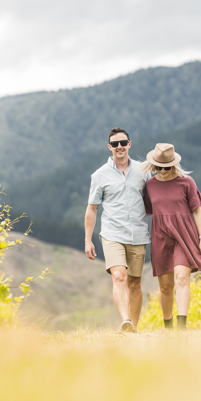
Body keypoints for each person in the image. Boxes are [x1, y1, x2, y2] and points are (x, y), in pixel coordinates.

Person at [84, 128, 150, 332]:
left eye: (123, 143)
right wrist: (88, 240)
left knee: (135, 283)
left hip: (138, 234)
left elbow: (154, 199)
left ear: (130, 144)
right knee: (119, 276)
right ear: (109, 147)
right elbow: (92, 208)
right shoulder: (99, 175)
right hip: (112, 234)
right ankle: (125, 321)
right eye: (115, 144)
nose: (119, 147)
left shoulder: (143, 171)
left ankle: (133, 329)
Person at [142, 143, 201, 329]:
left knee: (181, 278)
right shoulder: (150, 185)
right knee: (165, 286)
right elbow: (147, 210)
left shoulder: (187, 182)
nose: (162, 171)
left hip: (184, 235)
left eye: (166, 167)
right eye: (158, 167)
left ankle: (181, 326)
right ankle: (168, 325)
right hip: (160, 236)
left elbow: (197, 212)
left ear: (173, 164)